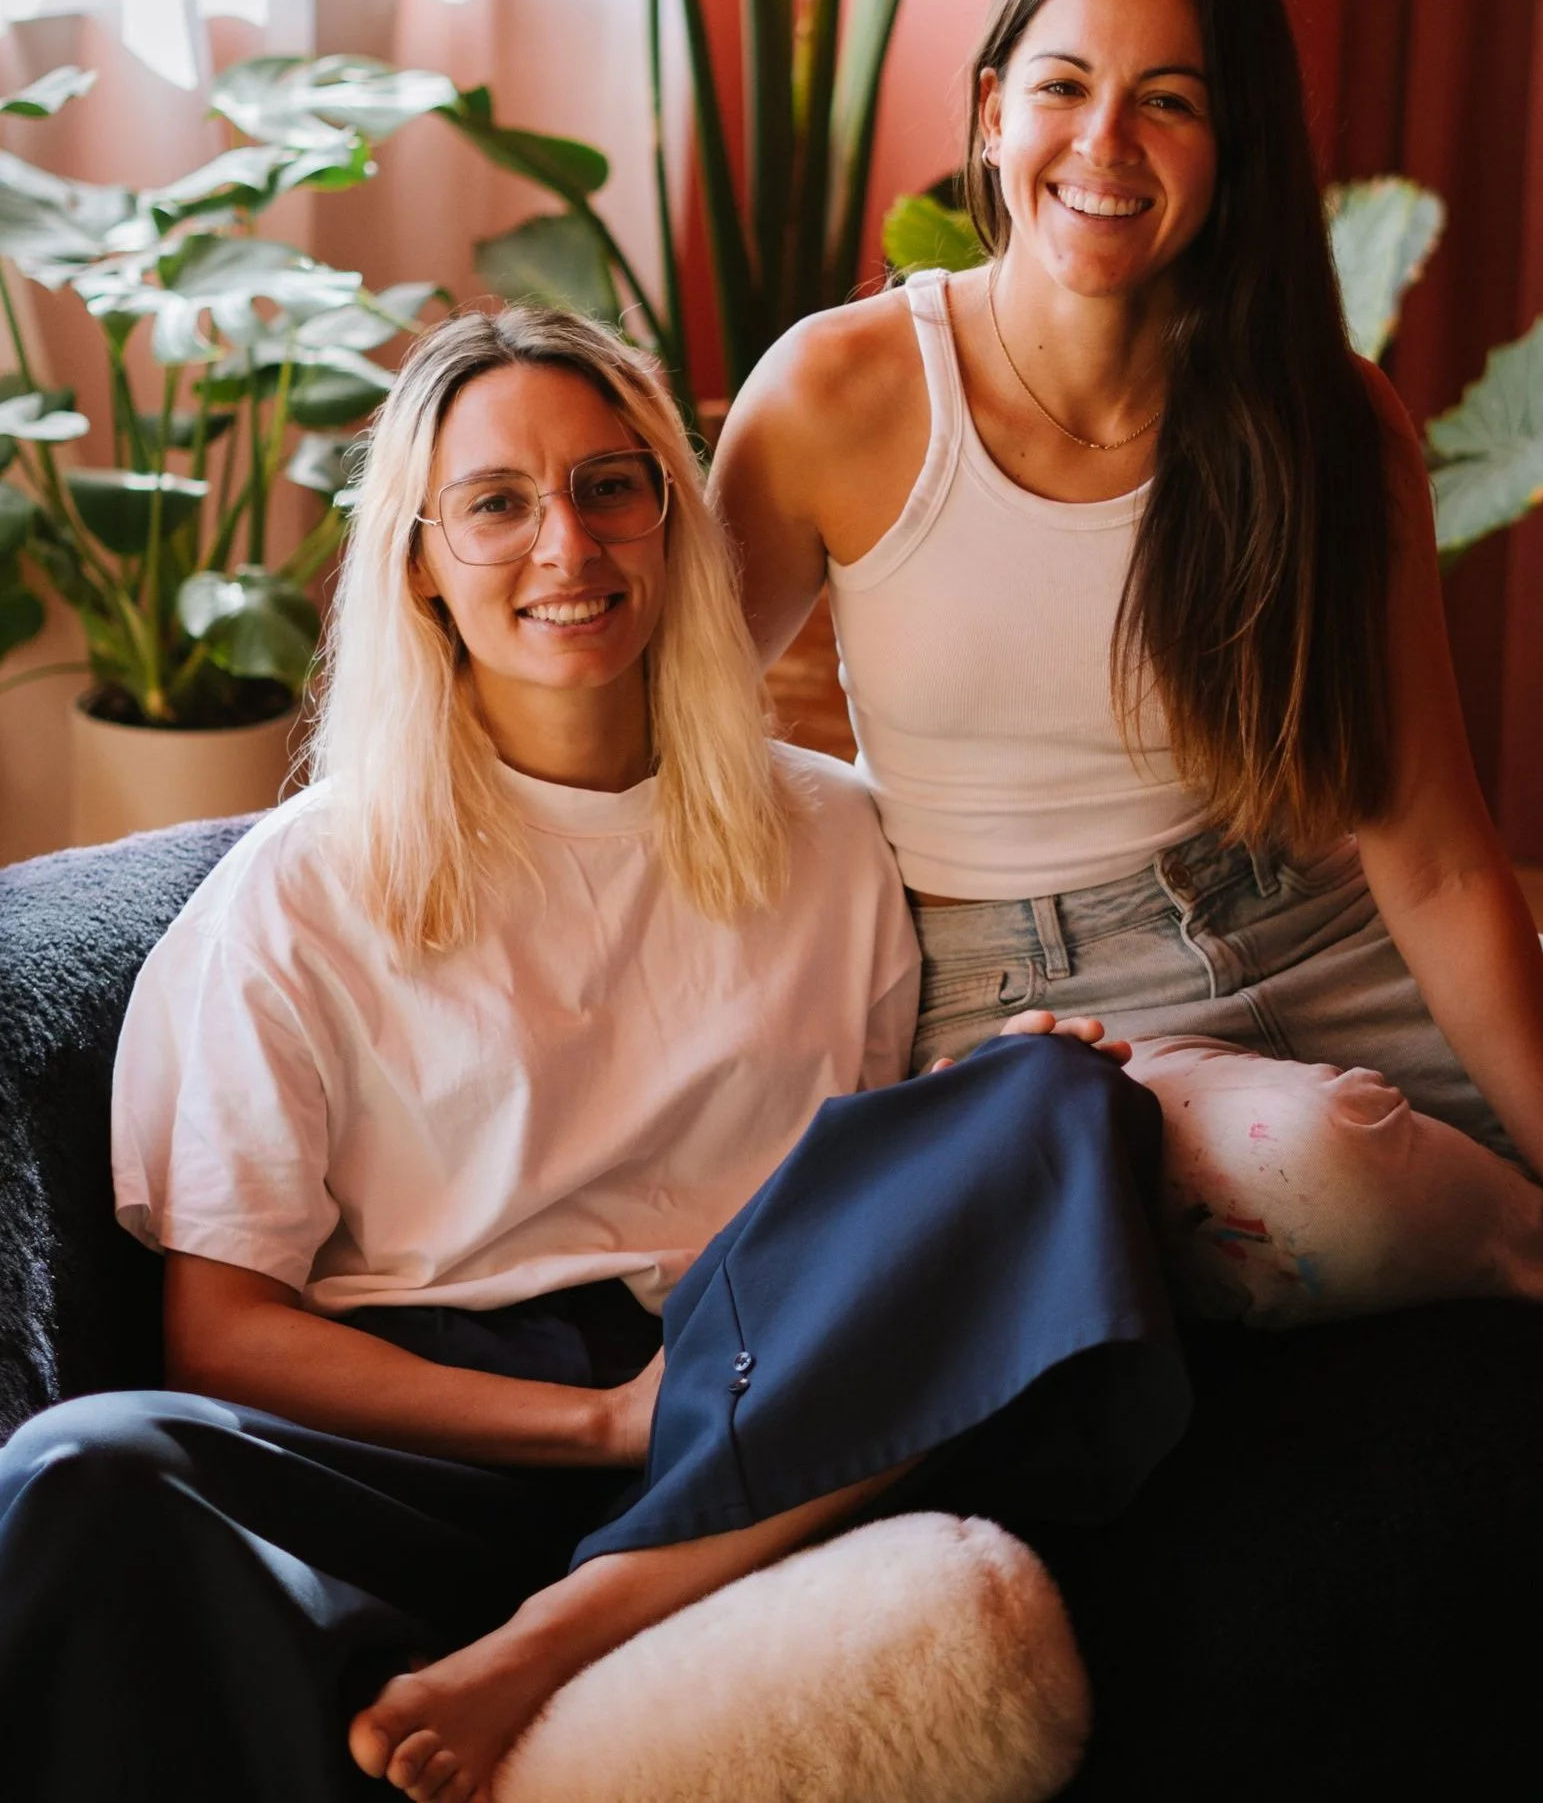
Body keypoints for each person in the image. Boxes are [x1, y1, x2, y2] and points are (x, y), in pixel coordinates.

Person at [0, 305, 1187, 1803]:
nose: (566, 544)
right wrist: (597, 1422)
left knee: (1067, 1102)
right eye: (497, 503)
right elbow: (224, 1333)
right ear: (421, 564)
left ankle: (553, 1637)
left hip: (750, 1383)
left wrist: (986, 1118)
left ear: (674, 519)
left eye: (609, 486)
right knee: (84, 1468)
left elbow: (862, 1214)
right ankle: (551, 1621)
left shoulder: (829, 829)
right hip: (445, 1427)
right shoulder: (310, 883)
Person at [714, 0, 1543, 1426]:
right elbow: (666, 742)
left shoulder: (1324, 414)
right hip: (1038, 1007)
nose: (1103, 143)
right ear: (989, 114)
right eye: (1063, 85)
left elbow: (1430, 854)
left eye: (1167, 102)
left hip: (1319, 919)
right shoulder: (839, 394)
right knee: (1329, 1174)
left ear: (1235, 148)